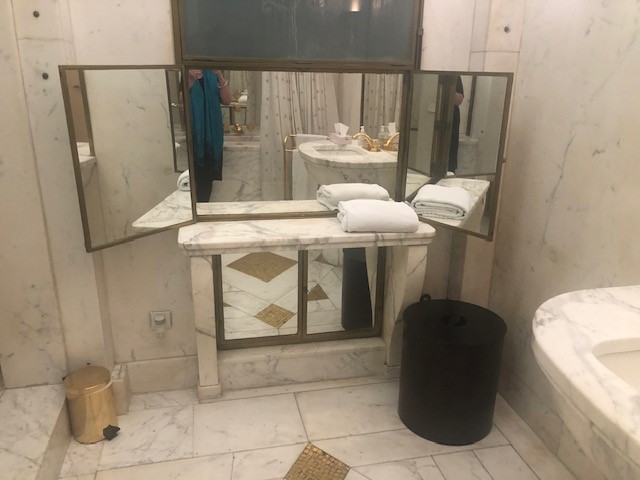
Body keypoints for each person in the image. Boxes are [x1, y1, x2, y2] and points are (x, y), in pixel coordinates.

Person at [188, 69, 232, 202]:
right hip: (195, 137)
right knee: (193, 180)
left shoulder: (214, 75)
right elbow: (182, 101)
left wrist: (220, 76)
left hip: (212, 138)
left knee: (206, 180)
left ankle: (201, 209)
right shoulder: (187, 73)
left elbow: (227, 100)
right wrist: (190, 79)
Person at [448, 75, 464, 173]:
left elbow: (459, 100)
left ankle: (450, 172)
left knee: (451, 148)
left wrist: (446, 90)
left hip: (452, 117)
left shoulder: (455, 76)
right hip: (432, 115)